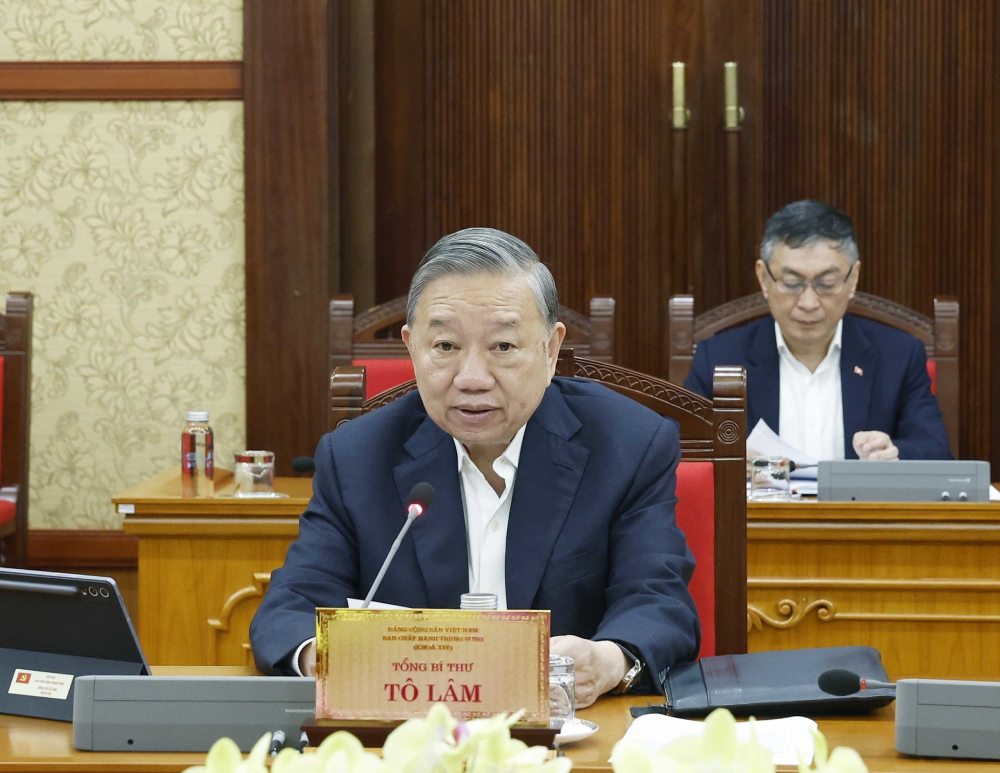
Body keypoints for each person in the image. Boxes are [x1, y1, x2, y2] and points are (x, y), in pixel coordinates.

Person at [251, 227, 699, 707]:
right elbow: (291, 606)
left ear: (551, 350)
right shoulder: (358, 456)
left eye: (503, 348)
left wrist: (608, 660)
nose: (471, 378)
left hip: (567, 738)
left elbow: (657, 600)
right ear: (411, 347)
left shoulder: (627, 444)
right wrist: (324, 657)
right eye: (445, 347)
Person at [684, 199, 951, 461]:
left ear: (853, 278)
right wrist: (727, 461)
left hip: (858, 506)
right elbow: (680, 450)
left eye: (827, 283)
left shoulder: (899, 356)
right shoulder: (719, 359)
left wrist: (894, 454)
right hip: (760, 506)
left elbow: (936, 452)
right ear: (764, 278)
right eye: (791, 283)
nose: (809, 303)